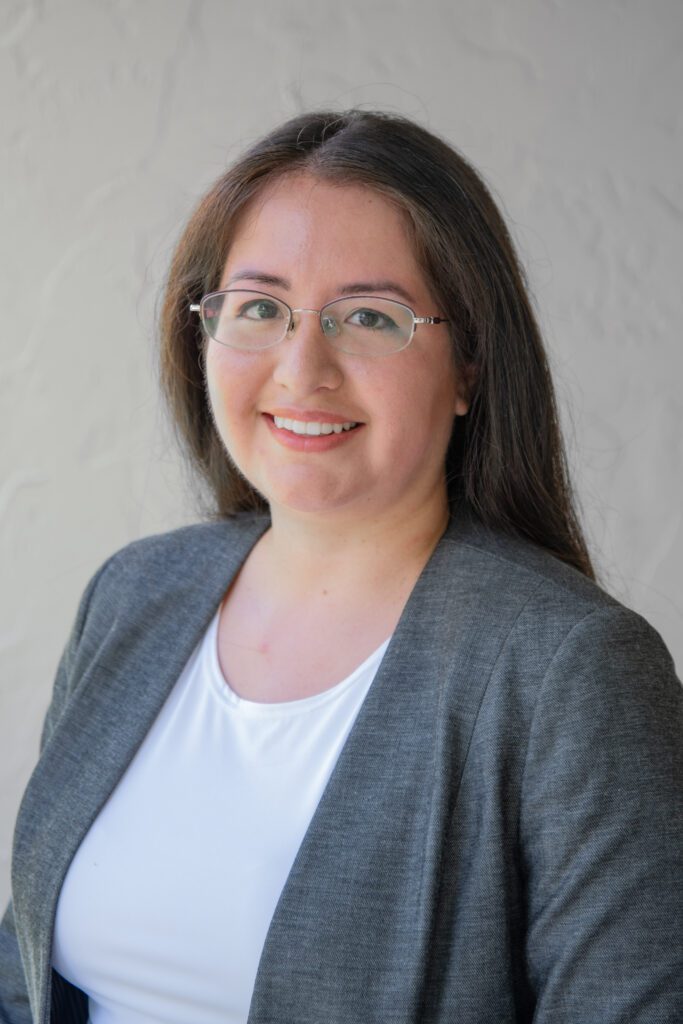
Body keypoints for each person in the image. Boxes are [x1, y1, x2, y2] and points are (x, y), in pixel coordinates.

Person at [1, 109, 681, 1024]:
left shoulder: (571, 670)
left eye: (369, 317)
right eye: (259, 308)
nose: (301, 368)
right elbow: (26, 968)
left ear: (470, 366)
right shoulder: (133, 594)